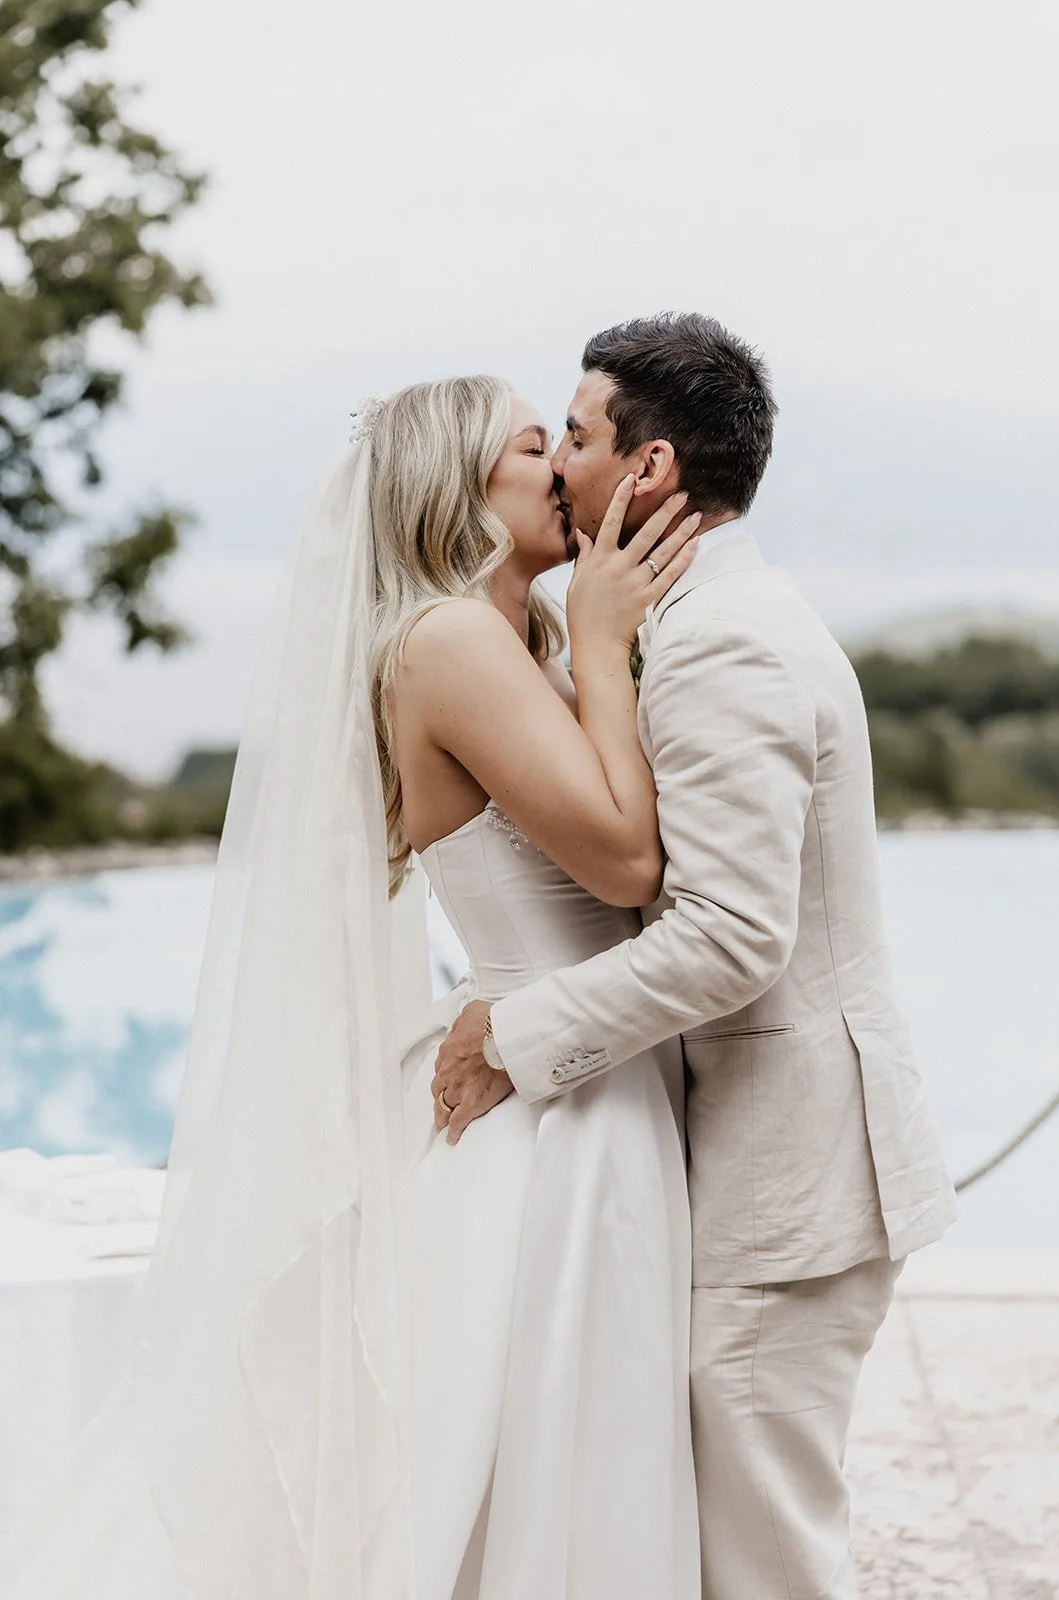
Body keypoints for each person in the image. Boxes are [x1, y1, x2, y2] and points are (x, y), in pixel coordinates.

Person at [0, 372, 704, 1598]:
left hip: (578, 1062)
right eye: (532, 446)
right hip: (545, 1109)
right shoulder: (448, 641)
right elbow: (624, 860)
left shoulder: (517, 641)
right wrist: (602, 643)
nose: (561, 467)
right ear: (456, 489)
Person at [434, 313, 959, 1600]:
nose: (559, 464)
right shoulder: (701, 618)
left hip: (789, 1184)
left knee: (765, 1563)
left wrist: (512, 1032)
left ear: (649, 465)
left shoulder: (723, 639)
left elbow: (729, 935)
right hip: (749, 1167)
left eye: (573, 435)